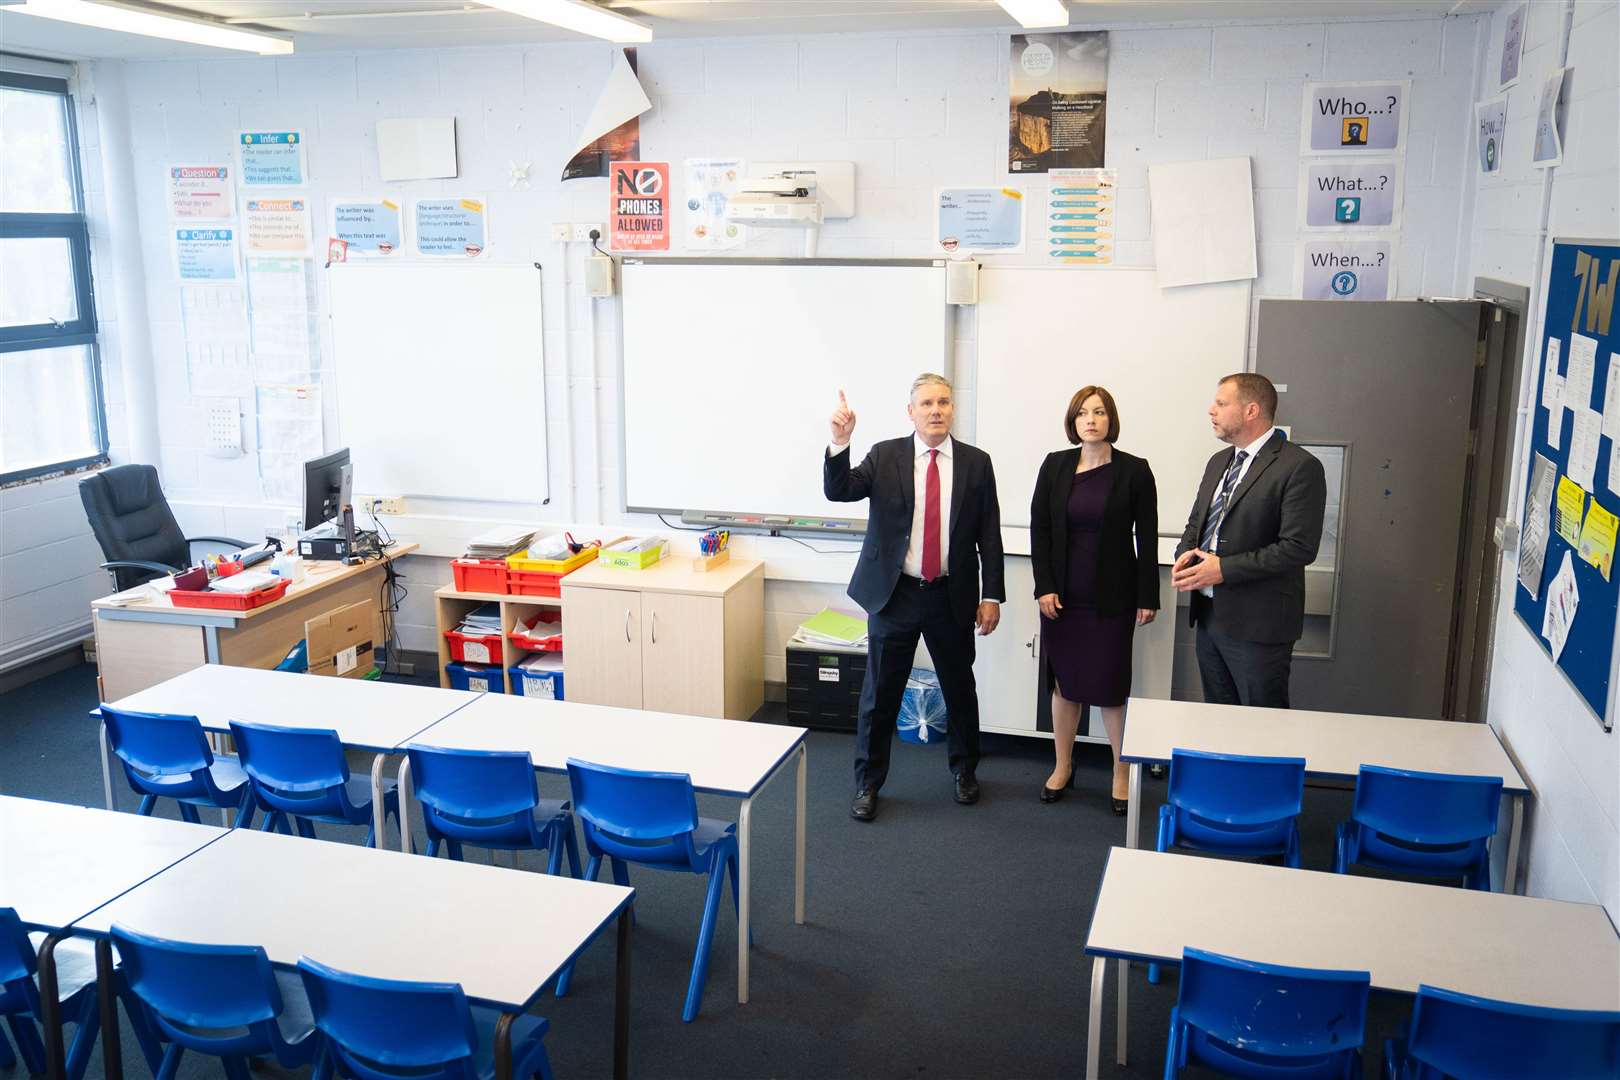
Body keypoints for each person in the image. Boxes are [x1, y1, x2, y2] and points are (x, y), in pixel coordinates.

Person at [824, 374, 1006, 822]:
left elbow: (990, 535)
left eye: (944, 402)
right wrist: (839, 442)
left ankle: (965, 771)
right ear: (911, 412)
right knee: (879, 694)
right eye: (926, 403)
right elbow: (839, 490)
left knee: (960, 689)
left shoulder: (976, 463)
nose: (936, 410)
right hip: (896, 593)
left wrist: (993, 596)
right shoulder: (886, 456)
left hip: (951, 594)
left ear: (953, 409)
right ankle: (868, 782)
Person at [1030, 387, 1158, 814]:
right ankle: (1062, 766)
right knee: (1064, 684)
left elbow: (1147, 537)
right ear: (1073, 421)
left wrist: (1147, 595)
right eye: (1083, 413)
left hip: (1113, 598)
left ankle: (1121, 772)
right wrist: (1043, 586)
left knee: (1111, 688)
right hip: (1062, 599)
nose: (1091, 420)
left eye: (1099, 412)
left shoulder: (1135, 471)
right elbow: (1041, 530)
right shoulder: (1055, 466)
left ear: (1110, 420)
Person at [1171, 373, 1326, 708]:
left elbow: (1298, 547)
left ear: (1251, 410)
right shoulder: (1219, 462)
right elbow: (1197, 523)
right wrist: (1184, 555)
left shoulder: (1299, 467)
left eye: (1222, 403)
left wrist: (1223, 569)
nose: (1211, 410)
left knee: (1262, 728)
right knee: (1220, 720)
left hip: (1260, 625)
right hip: (1210, 617)